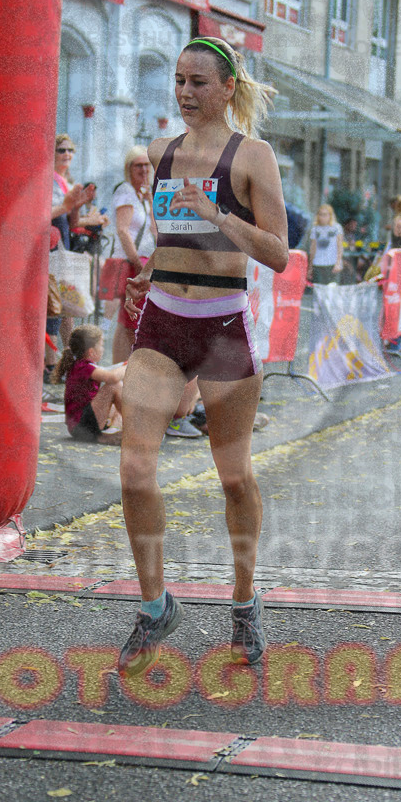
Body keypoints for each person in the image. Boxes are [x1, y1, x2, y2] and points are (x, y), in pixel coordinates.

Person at [117, 36, 288, 677]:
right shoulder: (160, 152)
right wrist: (148, 272)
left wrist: (220, 216)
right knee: (135, 470)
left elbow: (277, 253)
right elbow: (173, 236)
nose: (185, 93)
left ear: (227, 88)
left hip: (222, 327)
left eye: (198, 83)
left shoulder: (253, 156)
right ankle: (155, 605)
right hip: (163, 321)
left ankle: (244, 601)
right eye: (179, 81)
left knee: (234, 476)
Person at [109, 147, 157, 364]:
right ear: (129, 168)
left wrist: (151, 201)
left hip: (138, 261)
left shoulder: (141, 195)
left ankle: (119, 369)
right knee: (131, 319)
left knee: (126, 320)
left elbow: (155, 231)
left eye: (147, 165)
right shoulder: (126, 191)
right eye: (139, 165)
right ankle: (124, 368)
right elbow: (123, 230)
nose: (144, 170)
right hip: (130, 262)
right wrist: (139, 265)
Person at [47, 135, 89, 380]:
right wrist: (68, 207)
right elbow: (45, 213)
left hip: (63, 247)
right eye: (61, 150)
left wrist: (79, 206)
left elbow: (72, 222)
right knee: (56, 307)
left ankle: (69, 363)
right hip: (52, 249)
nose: (67, 154)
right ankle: (51, 366)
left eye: (71, 150)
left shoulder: (64, 181)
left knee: (67, 307)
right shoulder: (48, 180)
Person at [53, 325, 125, 446]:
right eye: (101, 345)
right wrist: (128, 367)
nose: (103, 349)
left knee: (115, 403)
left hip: (80, 426)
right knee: (115, 386)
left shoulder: (80, 365)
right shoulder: (84, 367)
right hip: (82, 426)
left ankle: (112, 432)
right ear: (91, 351)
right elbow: (112, 377)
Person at [307, 204, 343, 284]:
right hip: (318, 263)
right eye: (320, 214)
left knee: (332, 286)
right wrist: (310, 267)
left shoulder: (336, 227)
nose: (323, 217)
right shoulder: (315, 229)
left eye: (325, 215)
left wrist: (338, 262)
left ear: (330, 216)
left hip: (332, 263)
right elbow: (313, 248)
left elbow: (339, 246)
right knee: (318, 287)